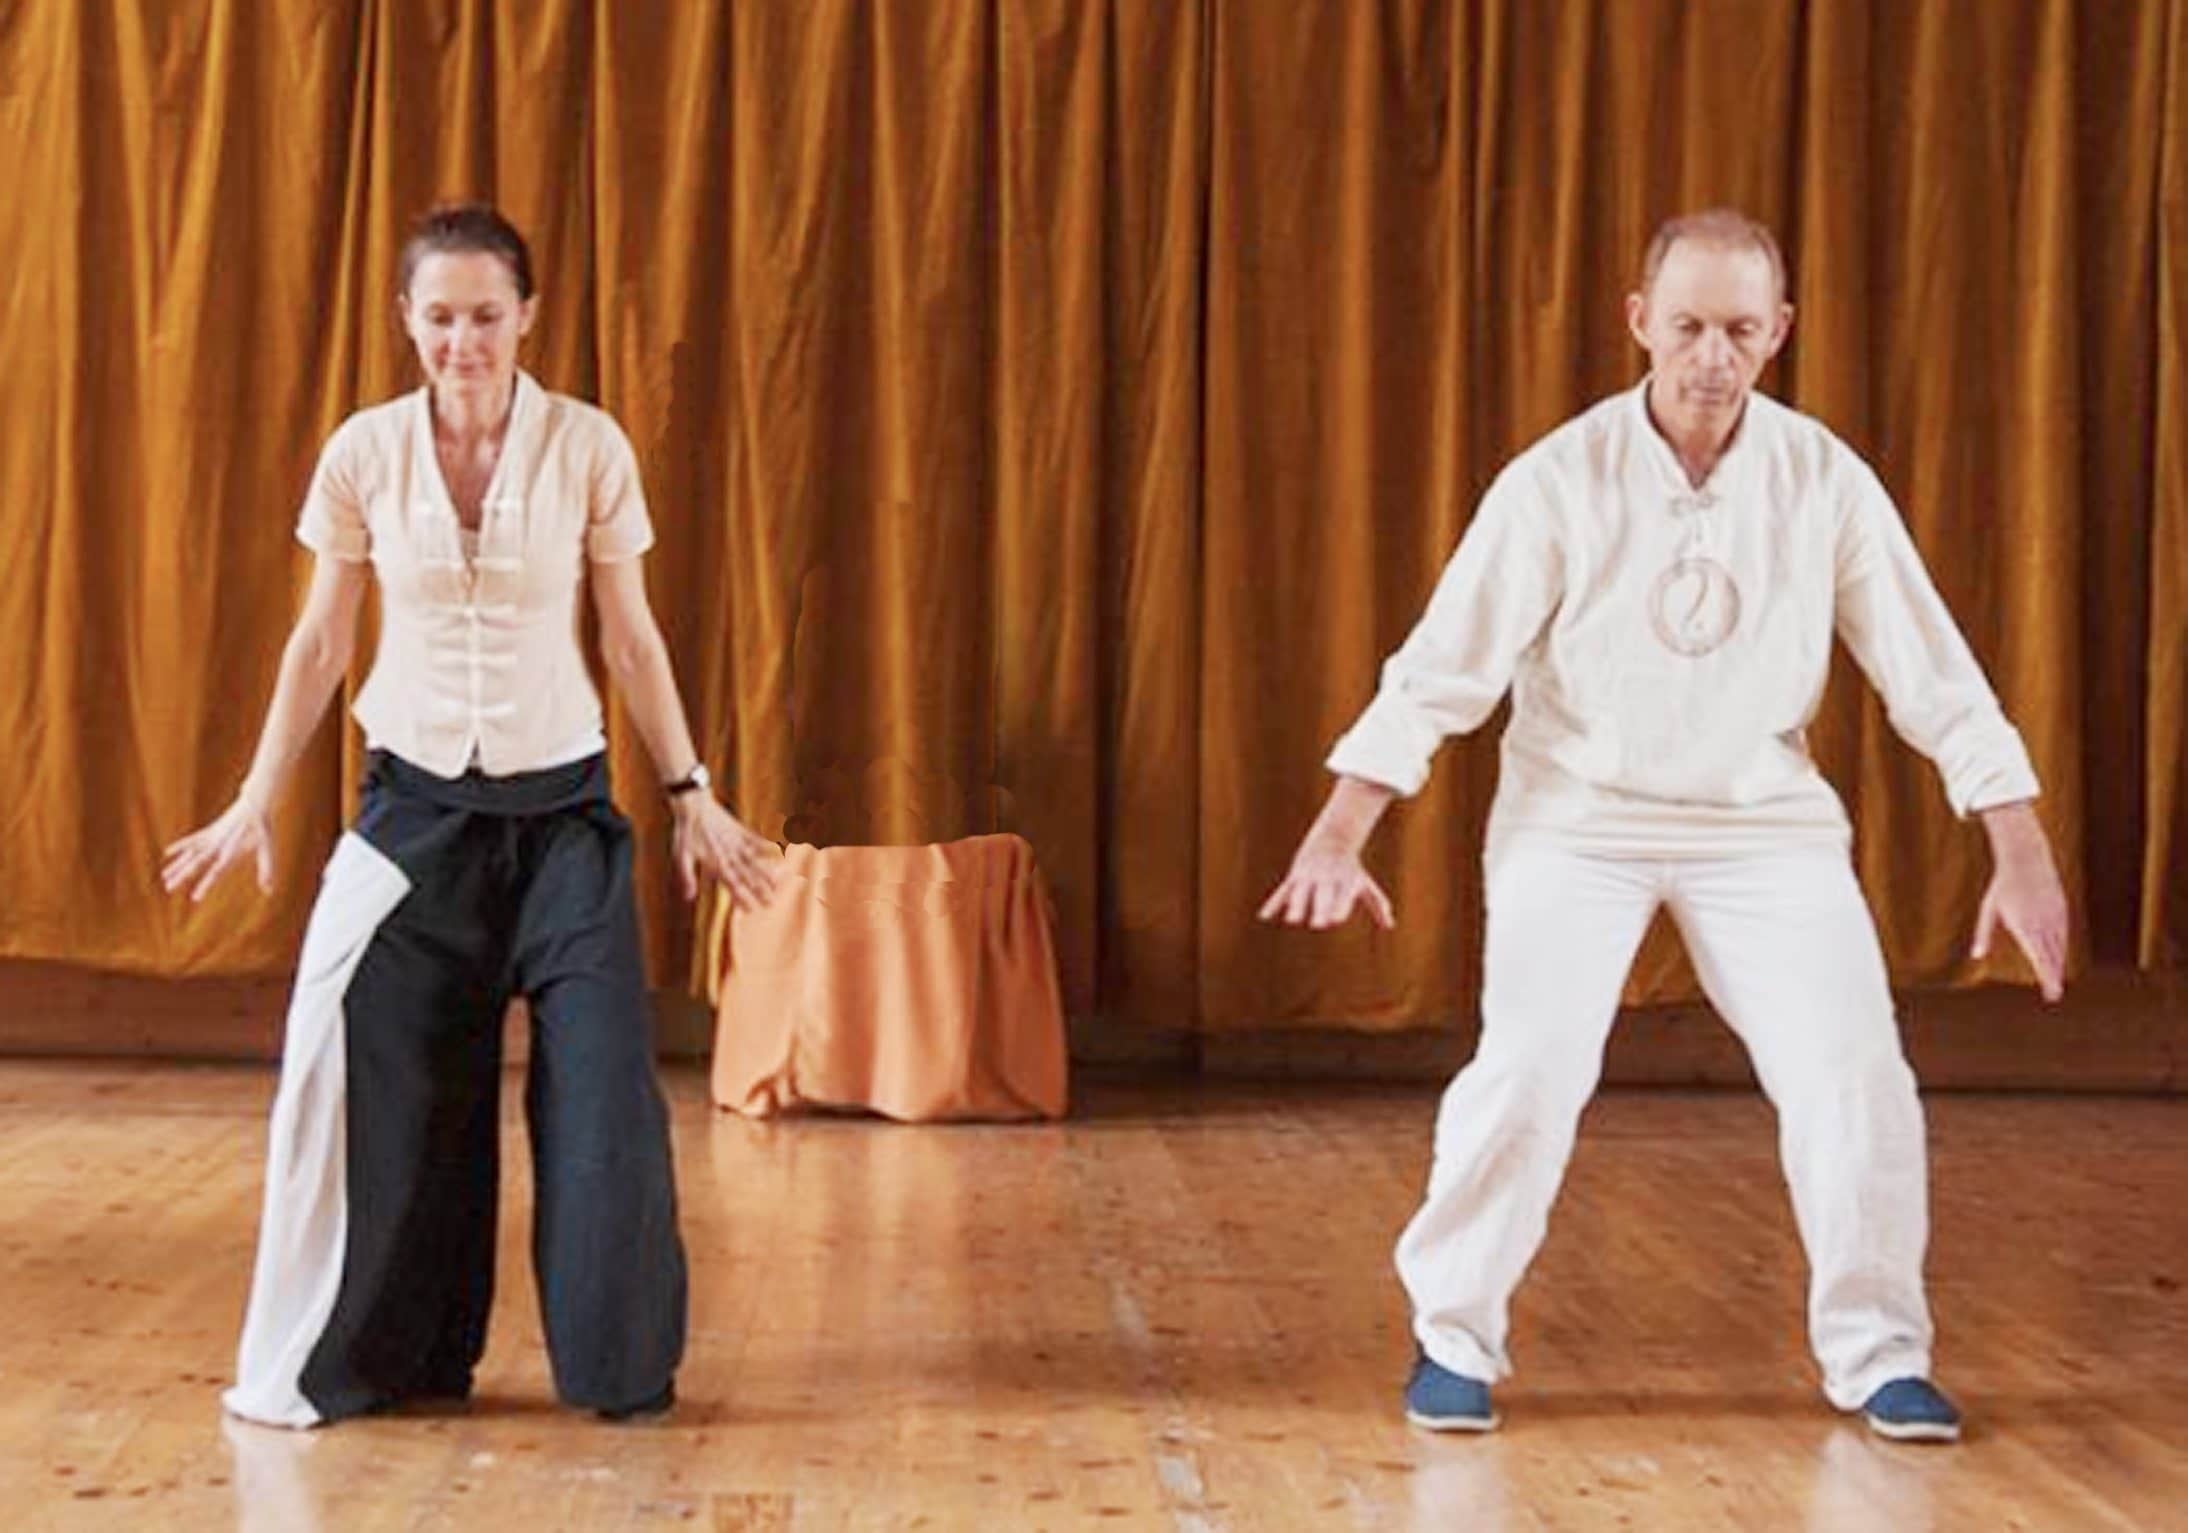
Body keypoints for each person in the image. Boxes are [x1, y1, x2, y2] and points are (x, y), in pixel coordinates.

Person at [1259, 209, 2068, 1444]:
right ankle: (1452, 1336)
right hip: (1575, 821)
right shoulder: (1553, 482)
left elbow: (1933, 675)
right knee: (1526, 1075)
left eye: (1740, 330)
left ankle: (1878, 1354)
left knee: (1856, 1077)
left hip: (1764, 827)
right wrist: (1338, 831)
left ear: (1778, 335)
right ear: (1639, 324)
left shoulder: (1822, 478)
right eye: (1686, 326)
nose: (1711, 357)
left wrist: (2019, 846)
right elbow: (1440, 671)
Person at [161, 203, 779, 1428]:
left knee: (603, 1098)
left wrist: (691, 793)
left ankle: (617, 1368)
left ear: (527, 317)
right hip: (414, 818)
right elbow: (322, 639)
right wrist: (253, 796)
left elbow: (631, 637)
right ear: (407, 321)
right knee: (394, 1097)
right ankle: (393, 1360)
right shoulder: (364, 453)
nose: (464, 341)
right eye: (439, 318)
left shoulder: (587, 446)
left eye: (486, 317)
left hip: (564, 825)